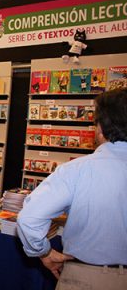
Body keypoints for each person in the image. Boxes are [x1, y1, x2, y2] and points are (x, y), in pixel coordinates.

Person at [17, 89, 127, 289]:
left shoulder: (77, 169)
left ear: (100, 128)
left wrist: (44, 252)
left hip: (87, 276)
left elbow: (29, 219)